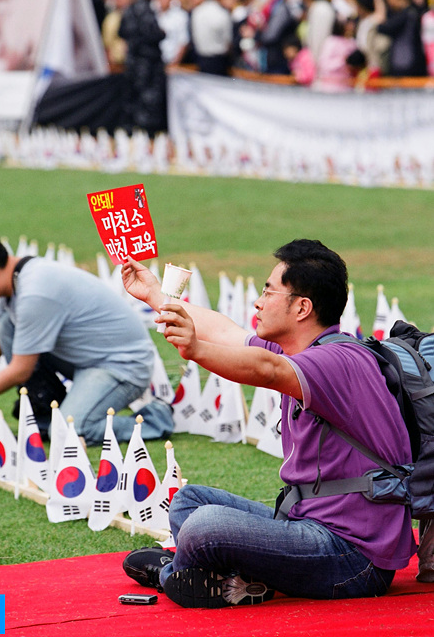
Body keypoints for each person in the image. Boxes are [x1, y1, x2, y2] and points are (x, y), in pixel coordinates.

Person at [121, 240, 416, 608]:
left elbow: (266, 369)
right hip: (309, 525)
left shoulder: (337, 361)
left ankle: (173, 576)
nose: (258, 302)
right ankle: (229, 580)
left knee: (204, 526)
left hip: (352, 558)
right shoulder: (305, 349)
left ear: (302, 307)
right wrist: (153, 295)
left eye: (268, 291)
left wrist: (194, 349)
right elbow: (225, 333)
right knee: (189, 502)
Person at [0, 225, 174, 445]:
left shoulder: (34, 292)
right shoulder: (17, 279)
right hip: (84, 359)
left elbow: (21, 369)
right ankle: (44, 411)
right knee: (8, 328)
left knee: (70, 430)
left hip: (121, 366)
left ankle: (155, 419)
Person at [118, 0, 167, 137]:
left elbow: (123, 31)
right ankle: (145, 136)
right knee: (148, 103)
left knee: (132, 101)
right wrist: (161, 33)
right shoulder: (144, 9)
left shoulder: (131, 8)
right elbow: (152, 34)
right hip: (147, 65)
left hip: (133, 62)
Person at [374, 0, 427, 78]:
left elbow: (382, 28)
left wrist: (379, 4)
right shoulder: (411, 12)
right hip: (408, 67)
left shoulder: (408, 14)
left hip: (408, 69)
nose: (388, 0)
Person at [189, 0, 233, 76]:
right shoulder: (222, 12)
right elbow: (227, 40)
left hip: (202, 59)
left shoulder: (197, 11)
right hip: (219, 59)